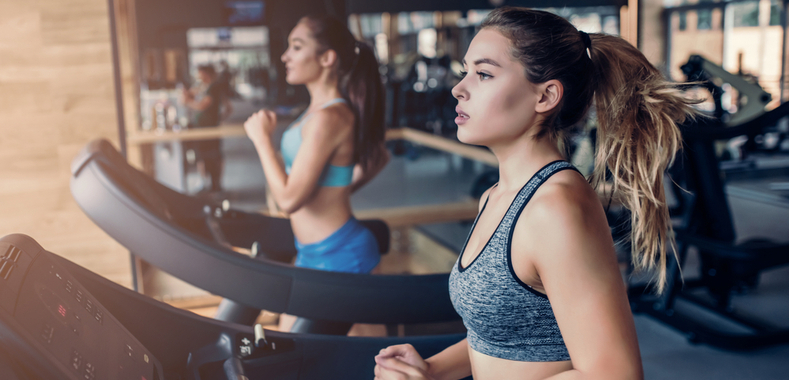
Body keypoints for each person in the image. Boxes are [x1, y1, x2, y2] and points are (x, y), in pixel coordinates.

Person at [373, 7, 699, 380]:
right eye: (466, 72)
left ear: (545, 97)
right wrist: (431, 370)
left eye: (483, 74)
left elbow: (614, 374)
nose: (458, 88)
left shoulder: (554, 207)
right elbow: (503, 337)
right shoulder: (496, 196)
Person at [243, 15, 389, 332]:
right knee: (294, 355)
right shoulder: (314, 113)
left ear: (327, 58)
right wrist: (334, 193)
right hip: (309, 253)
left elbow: (289, 200)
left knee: (365, 365)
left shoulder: (331, 116)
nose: (285, 56)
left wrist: (262, 140)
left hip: (344, 257)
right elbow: (379, 158)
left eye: (296, 47)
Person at [182, 64, 233, 192]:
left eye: (200, 74)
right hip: (201, 127)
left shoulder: (214, 88)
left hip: (209, 128)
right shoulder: (203, 87)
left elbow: (202, 105)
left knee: (214, 156)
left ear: (206, 74)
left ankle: (216, 184)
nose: (198, 77)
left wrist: (188, 102)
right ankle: (205, 183)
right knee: (202, 156)